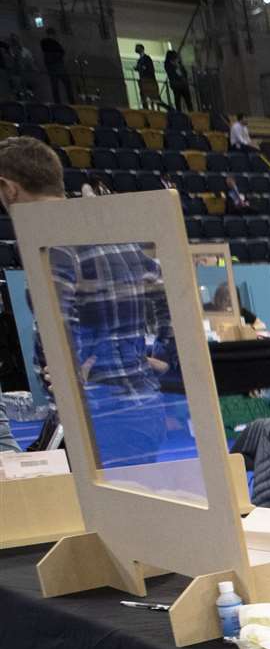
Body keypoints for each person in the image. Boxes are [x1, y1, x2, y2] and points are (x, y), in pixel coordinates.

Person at [0, 136, 176, 466]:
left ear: (8, 188)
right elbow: (173, 306)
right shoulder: (118, 240)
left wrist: (68, 371)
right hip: (143, 412)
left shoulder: (52, 248)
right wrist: (157, 361)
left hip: (97, 421)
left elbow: (58, 350)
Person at [39, 27, 70, 105]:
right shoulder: (54, 43)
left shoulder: (43, 42)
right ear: (52, 34)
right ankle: (71, 101)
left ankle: (58, 103)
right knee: (66, 84)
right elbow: (61, 52)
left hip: (51, 67)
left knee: (55, 86)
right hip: (58, 67)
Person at [133, 44, 161, 109]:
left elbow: (150, 68)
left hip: (149, 79)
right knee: (144, 95)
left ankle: (156, 109)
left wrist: (142, 68)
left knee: (153, 95)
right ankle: (146, 109)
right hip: (143, 80)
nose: (136, 49)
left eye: (137, 48)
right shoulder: (140, 60)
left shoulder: (147, 58)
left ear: (142, 49)